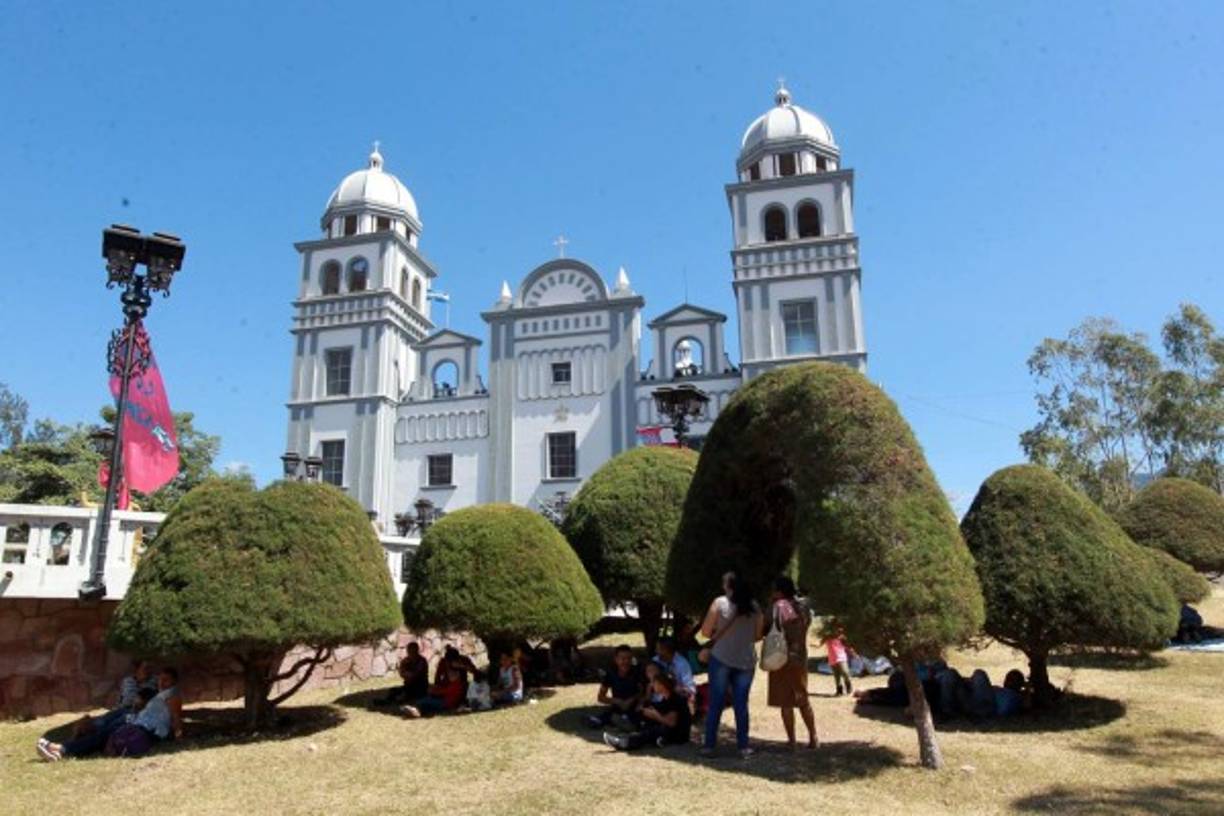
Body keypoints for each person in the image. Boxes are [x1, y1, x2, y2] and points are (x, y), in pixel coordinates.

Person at [38, 666, 182, 761]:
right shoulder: (161, 694)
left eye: (166, 680)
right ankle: (61, 749)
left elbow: (175, 717)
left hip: (143, 728)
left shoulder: (173, 695)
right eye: (160, 679)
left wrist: (178, 736)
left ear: (174, 681)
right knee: (101, 735)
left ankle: (61, 749)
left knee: (101, 736)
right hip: (136, 722)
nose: (161, 682)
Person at [700, 571, 764, 758]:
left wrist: (719, 634)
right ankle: (743, 747)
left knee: (716, 702)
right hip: (746, 660)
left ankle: (709, 746)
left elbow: (704, 632)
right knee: (741, 704)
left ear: (728, 585)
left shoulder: (719, 603)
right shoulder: (754, 606)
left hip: (721, 657)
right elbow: (758, 635)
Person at [767, 576, 817, 750]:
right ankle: (813, 737)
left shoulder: (779, 606)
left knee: (786, 702)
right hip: (800, 657)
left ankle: (792, 741)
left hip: (781, 657)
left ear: (779, 591)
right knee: (803, 698)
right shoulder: (804, 607)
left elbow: (768, 626)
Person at [603, 673, 692, 751]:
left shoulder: (675, 699)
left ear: (662, 685)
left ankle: (624, 743)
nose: (652, 685)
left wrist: (655, 715)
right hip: (671, 731)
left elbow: (671, 723)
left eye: (655, 683)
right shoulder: (667, 698)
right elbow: (660, 708)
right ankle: (636, 729)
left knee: (651, 731)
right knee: (645, 717)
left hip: (679, 735)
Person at [585, 644, 642, 728]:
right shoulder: (611, 674)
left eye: (629, 659)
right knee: (608, 715)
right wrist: (617, 701)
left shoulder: (637, 672)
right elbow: (601, 697)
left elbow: (643, 692)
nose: (626, 662)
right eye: (623, 659)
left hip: (635, 706)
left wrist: (631, 700)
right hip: (617, 706)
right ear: (616, 660)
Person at [375, 642, 430, 706]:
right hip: (408, 686)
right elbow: (402, 673)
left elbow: (416, 674)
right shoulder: (406, 660)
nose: (411, 653)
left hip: (420, 687)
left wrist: (408, 674)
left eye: (413, 650)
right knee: (393, 691)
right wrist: (407, 674)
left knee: (406, 695)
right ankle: (387, 701)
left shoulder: (422, 661)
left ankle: (399, 701)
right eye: (409, 650)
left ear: (417, 650)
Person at [654, 637, 696, 701]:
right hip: (657, 700)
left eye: (658, 649)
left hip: (675, 700)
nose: (656, 651)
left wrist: (678, 689)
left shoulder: (682, 664)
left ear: (666, 650)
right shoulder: (655, 661)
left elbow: (691, 689)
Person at [824, 625, 854, 696]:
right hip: (832, 659)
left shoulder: (843, 638)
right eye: (838, 630)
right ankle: (839, 690)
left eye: (841, 630)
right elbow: (819, 644)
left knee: (845, 672)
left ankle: (848, 686)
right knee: (836, 676)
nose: (839, 631)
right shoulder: (828, 637)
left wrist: (853, 653)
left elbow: (848, 647)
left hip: (841, 658)